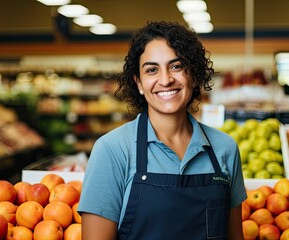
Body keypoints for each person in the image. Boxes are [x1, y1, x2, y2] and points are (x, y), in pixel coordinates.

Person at [77, 21, 247, 240]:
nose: (166, 80)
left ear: (193, 75)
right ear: (139, 83)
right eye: (152, 70)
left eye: (176, 66)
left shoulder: (224, 148)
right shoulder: (112, 150)